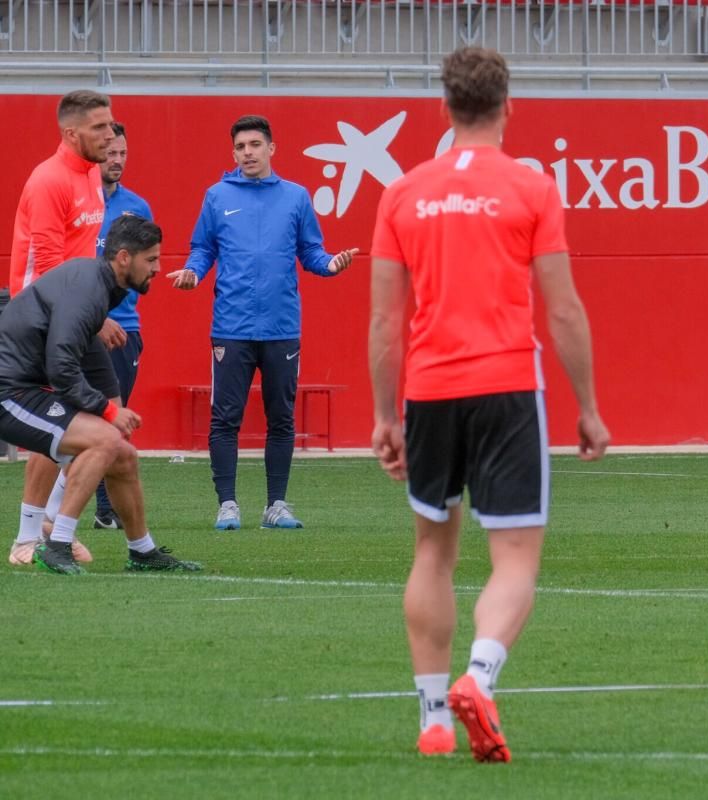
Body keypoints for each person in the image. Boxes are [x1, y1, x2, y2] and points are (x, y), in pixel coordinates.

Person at [369, 46, 610, 763]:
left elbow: (385, 321)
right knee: (514, 560)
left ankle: (434, 719)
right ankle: (480, 675)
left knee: (432, 552)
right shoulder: (531, 188)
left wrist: (386, 416)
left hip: (429, 389)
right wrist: (589, 406)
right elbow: (562, 309)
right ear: (509, 108)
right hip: (506, 386)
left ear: (444, 109)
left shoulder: (403, 192)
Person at [167, 115, 357, 531]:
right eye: (240, 147)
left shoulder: (296, 197)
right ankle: (227, 505)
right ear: (233, 152)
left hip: (281, 328)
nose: (247, 153)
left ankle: (276, 506)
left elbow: (312, 252)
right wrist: (193, 273)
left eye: (254, 145)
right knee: (225, 419)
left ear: (272, 148)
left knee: (281, 418)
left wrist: (330, 264)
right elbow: (202, 249)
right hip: (231, 328)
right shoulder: (217, 196)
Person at [0, 214, 201, 574]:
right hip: (9, 393)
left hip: (27, 387)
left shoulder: (99, 285)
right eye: (151, 260)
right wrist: (108, 413)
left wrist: (110, 407)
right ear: (124, 258)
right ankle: (56, 542)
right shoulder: (89, 290)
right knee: (104, 438)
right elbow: (61, 366)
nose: (157, 268)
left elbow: (83, 352)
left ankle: (142, 552)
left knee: (122, 453)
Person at [7, 90, 116, 567]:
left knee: (108, 418)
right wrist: (93, 315)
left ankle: (53, 522)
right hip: (41, 321)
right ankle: (27, 536)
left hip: (75, 315)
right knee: (58, 423)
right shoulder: (48, 180)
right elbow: (48, 266)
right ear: (71, 133)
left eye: (110, 124)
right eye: (99, 127)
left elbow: (83, 255)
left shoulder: (91, 172)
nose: (110, 135)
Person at [90, 121, 154, 531]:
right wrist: (94, 315)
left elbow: (146, 266)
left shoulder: (138, 207)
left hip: (123, 330)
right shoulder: (77, 201)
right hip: (80, 327)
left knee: (113, 418)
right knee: (76, 420)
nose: (116, 160)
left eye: (122, 153)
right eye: (110, 152)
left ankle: (104, 509)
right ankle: (49, 514)